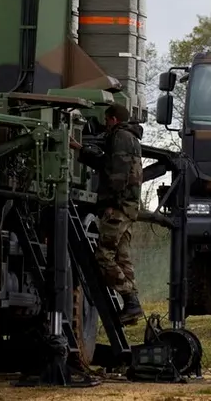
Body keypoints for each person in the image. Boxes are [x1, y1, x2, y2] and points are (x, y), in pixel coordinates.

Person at [70, 101, 145, 325]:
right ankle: (131, 306)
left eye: (106, 120)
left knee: (104, 256)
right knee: (122, 257)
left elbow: (117, 174)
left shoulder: (120, 137)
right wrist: (80, 149)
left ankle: (131, 300)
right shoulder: (130, 138)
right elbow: (108, 164)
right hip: (128, 206)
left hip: (119, 206)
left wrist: (111, 202)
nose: (104, 125)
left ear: (113, 119)